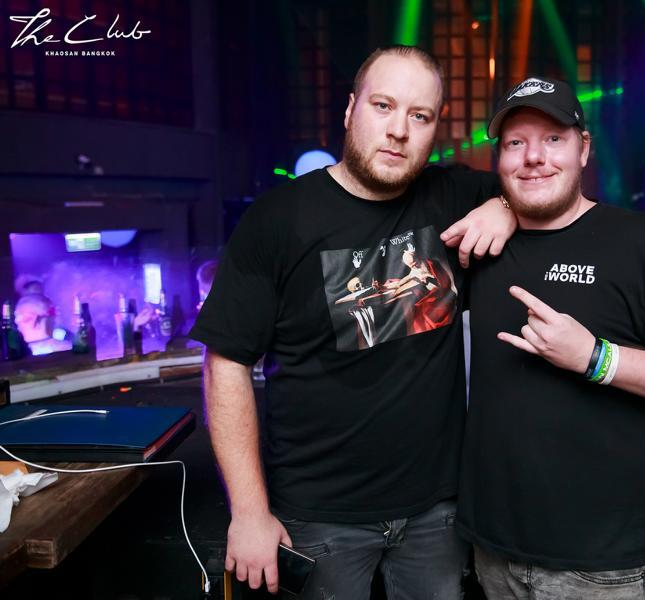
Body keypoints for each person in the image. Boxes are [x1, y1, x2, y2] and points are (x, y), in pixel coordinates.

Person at [190, 45, 516, 598]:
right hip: (318, 518)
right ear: (349, 110)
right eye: (383, 106)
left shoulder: (455, 196)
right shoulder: (277, 221)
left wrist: (504, 207)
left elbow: (539, 188)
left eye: (420, 115)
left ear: (435, 127)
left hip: (437, 512)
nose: (399, 130)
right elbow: (226, 364)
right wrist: (249, 512)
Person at [457, 77, 645, 600]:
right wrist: (499, 204)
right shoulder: (482, 245)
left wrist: (595, 357)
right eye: (516, 143)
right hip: (491, 549)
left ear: (583, 148)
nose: (534, 157)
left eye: (553, 139)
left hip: (600, 566)